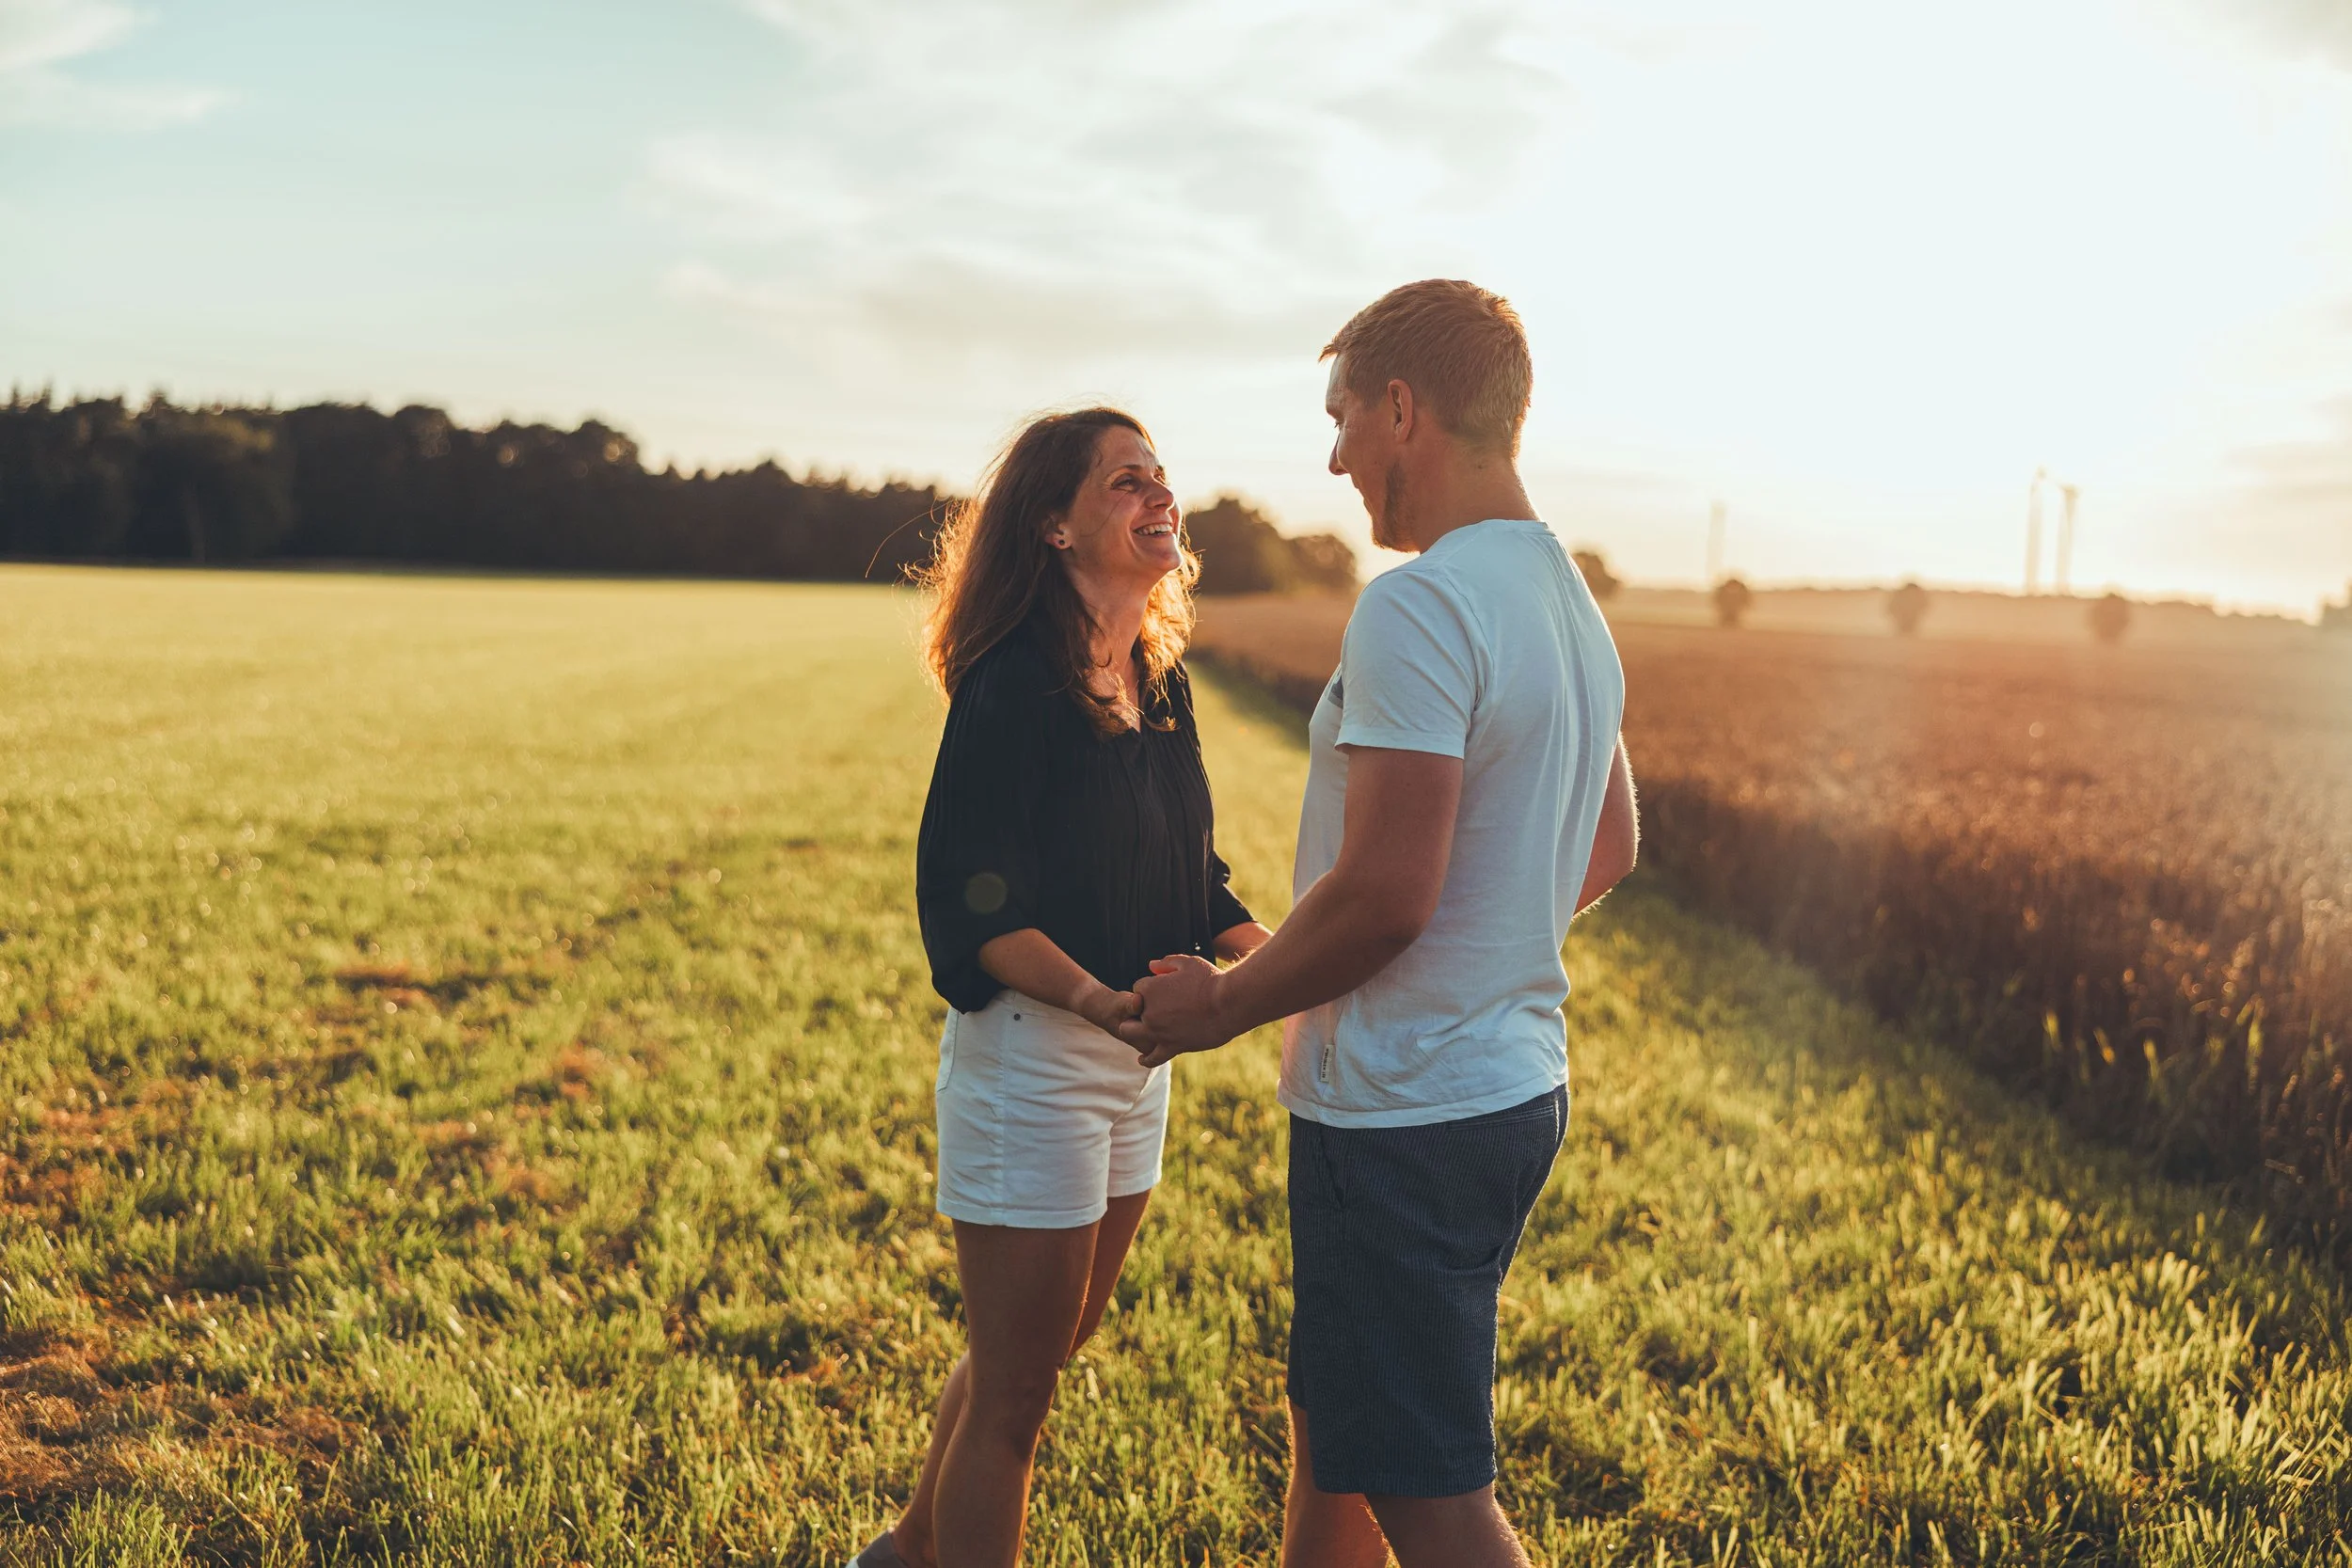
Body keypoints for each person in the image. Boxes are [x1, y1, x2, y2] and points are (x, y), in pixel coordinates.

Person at [1119, 280, 1640, 1568]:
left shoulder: (1420, 604)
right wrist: (1490, 932)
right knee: (1340, 1433)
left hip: (1406, 1109)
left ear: (1403, 409)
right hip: (1509, 1087)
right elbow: (1611, 841)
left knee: (1426, 1490)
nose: (1336, 452)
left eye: (1344, 416)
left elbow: (1384, 890)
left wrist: (1224, 1004)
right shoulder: (1566, 597)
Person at [854, 407, 1272, 1568]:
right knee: (1017, 1399)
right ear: (1053, 523)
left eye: (1162, 476)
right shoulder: (1012, 687)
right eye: (1125, 481)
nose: (1160, 495)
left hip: (1141, 1064)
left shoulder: (1159, 678)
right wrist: (1100, 1003)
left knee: (1030, 1351)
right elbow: (974, 906)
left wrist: (1287, 957)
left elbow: (1196, 875)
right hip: (1039, 1059)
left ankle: (901, 1552)